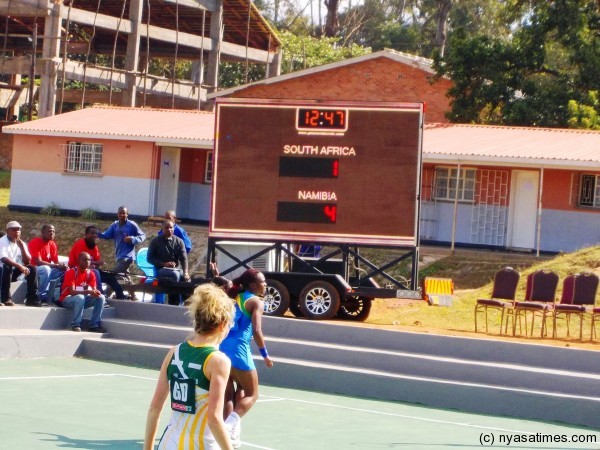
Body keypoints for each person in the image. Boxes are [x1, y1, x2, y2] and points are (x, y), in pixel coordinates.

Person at [144, 283, 235, 450]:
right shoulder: (218, 361)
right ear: (222, 324)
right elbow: (214, 419)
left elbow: (154, 408)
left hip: (169, 443)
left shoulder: (174, 353)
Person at [220, 269, 274, 448]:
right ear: (253, 285)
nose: (265, 284)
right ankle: (226, 428)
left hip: (222, 348)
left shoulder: (234, 296)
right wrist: (265, 355)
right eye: (263, 281)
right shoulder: (255, 301)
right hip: (238, 350)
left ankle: (231, 435)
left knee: (232, 392)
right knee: (253, 394)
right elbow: (257, 331)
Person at [68, 225, 128, 300]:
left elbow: (97, 261)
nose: (94, 235)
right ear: (86, 234)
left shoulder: (94, 247)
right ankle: (100, 295)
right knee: (96, 272)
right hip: (77, 269)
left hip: (89, 270)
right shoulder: (81, 244)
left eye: (95, 233)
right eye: (92, 233)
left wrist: (97, 264)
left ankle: (120, 295)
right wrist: (95, 264)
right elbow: (80, 261)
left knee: (110, 276)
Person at [57, 252, 105, 332]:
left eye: (89, 260)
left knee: (101, 298)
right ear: (79, 261)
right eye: (85, 260)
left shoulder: (91, 274)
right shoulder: (71, 272)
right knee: (80, 297)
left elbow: (93, 289)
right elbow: (72, 292)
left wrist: (96, 292)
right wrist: (88, 291)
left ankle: (94, 325)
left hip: (82, 300)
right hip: (67, 299)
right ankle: (76, 324)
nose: (88, 262)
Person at [147, 220, 190, 306]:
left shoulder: (179, 241)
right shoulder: (155, 241)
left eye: (171, 228)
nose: (169, 229)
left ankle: (187, 302)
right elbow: (149, 258)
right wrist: (164, 264)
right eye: (166, 228)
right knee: (175, 275)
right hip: (160, 269)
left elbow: (184, 259)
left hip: (176, 269)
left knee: (186, 279)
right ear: (162, 229)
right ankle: (174, 302)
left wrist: (186, 272)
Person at [98, 206, 146, 280]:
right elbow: (106, 235)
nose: (122, 215)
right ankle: (130, 288)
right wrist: (96, 233)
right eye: (120, 213)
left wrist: (132, 239)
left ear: (127, 214)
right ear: (117, 214)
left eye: (124, 213)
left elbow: (142, 236)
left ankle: (108, 290)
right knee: (123, 275)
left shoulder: (131, 224)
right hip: (119, 256)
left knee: (112, 275)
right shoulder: (115, 225)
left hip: (128, 258)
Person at [0, 221, 41, 307]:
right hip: (2, 271)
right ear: (7, 231)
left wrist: (22, 247)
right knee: (7, 266)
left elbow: (27, 262)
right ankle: (6, 298)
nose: (17, 232)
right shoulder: (2, 241)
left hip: (11, 272)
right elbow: (3, 259)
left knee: (32, 268)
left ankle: (31, 298)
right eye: (14, 230)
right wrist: (20, 266)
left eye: (18, 230)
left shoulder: (20, 243)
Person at [28, 224, 68, 304]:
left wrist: (62, 267)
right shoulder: (35, 242)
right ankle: (40, 296)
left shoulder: (52, 244)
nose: (52, 233)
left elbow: (56, 262)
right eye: (49, 231)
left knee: (65, 272)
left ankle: (59, 297)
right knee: (46, 269)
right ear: (43, 232)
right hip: (34, 269)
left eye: (53, 231)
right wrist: (56, 265)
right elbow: (38, 262)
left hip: (47, 269)